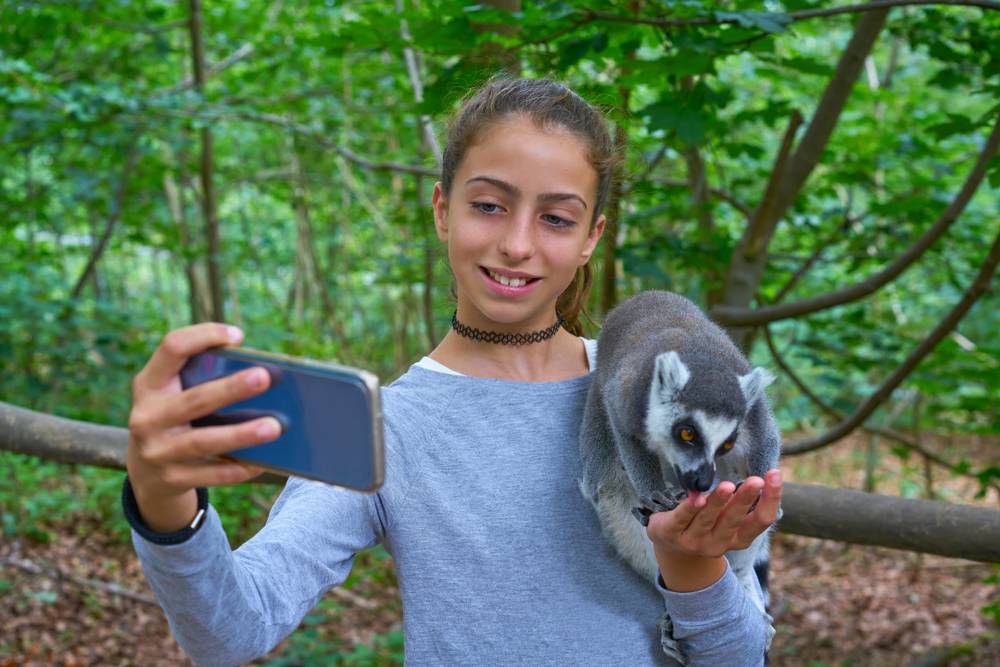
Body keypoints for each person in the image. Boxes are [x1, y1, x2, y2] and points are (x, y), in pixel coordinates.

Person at [124, 77, 782, 666]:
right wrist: (163, 502)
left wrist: (691, 564)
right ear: (443, 209)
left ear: (591, 237)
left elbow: (739, 654)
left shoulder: (669, 404)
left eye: (555, 217)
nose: (517, 243)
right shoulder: (385, 429)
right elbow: (231, 630)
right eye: (489, 205)